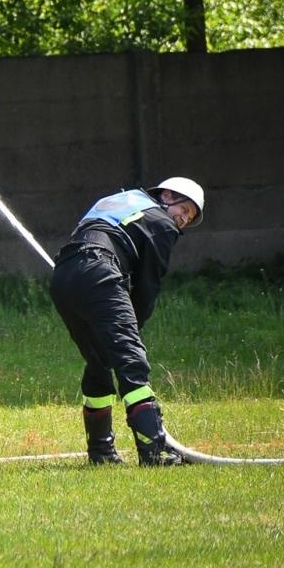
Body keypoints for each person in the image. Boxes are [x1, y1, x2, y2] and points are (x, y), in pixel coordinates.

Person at [48, 176, 205, 466]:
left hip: (64, 275)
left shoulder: (122, 200)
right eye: (184, 211)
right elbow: (147, 288)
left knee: (99, 360)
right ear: (167, 195)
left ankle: (101, 453)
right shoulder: (161, 223)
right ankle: (154, 452)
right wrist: (131, 330)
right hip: (99, 269)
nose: (182, 220)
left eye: (188, 218)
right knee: (130, 360)